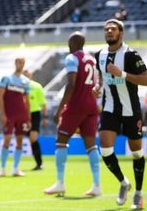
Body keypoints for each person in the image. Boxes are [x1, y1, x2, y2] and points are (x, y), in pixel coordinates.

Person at [94, 19, 147, 210]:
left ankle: (139, 193)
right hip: (110, 108)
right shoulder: (99, 55)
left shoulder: (131, 54)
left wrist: (123, 74)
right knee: (105, 148)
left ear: (121, 33)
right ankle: (124, 182)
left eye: (113, 29)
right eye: (106, 29)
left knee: (136, 153)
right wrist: (97, 87)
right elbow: (101, 77)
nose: (109, 31)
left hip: (130, 110)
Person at [44, 32, 101, 196]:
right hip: (92, 106)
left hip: (76, 105)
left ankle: (60, 183)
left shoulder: (72, 58)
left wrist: (60, 109)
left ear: (74, 43)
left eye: (69, 42)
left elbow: (71, 85)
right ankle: (96, 185)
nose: (68, 45)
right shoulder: (91, 59)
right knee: (91, 146)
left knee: (61, 142)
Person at [0, 57, 31, 177]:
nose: (20, 65)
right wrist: (3, 114)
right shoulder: (6, 79)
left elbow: (27, 102)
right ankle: (2, 168)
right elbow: (0, 97)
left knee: (20, 141)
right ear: (15, 63)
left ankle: (15, 168)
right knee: (7, 139)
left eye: (22, 63)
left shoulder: (25, 81)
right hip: (9, 115)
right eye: (18, 62)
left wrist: (28, 118)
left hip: (21, 115)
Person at [22, 69, 48, 171]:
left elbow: (43, 103)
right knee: (30, 139)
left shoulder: (37, 86)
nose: (25, 75)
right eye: (24, 74)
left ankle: (40, 163)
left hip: (35, 114)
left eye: (27, 73)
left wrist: (45, 117)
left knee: (33, 138)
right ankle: (38, 163)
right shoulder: (20, 87)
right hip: (24, 115)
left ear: (31, 75)